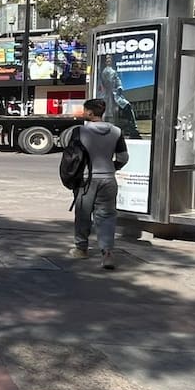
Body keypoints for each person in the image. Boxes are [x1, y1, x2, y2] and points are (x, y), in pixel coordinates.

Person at [70, 98, 129, 270]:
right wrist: (112, 168)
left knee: (83, 214)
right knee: (107, 216)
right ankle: (107, 252)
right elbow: (123, 158)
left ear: (89, 112)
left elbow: (73, 158)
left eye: (84, 110)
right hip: (109, 179)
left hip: (86, 180)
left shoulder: (80, 131)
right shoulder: (116, 131)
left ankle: (81, 249)